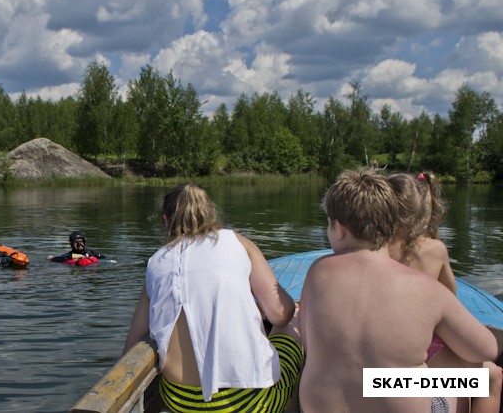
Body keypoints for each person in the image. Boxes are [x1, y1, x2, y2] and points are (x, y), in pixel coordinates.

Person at [299, 168, 498, 413]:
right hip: (388, 391)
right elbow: (486, 349)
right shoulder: (426, 288)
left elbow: (308, 346)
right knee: (483, 380)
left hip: (320, 405)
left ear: (339, 229)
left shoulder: (318, 272)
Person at [123, 182, 303, 413]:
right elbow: (280, 314)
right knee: (293, 325)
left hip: (180, 402)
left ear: (166, 221)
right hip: (247, 402)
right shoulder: (237, 242)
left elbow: (133, 342)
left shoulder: (156, 262)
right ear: (211, 214)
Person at [388, 171, 502, 413]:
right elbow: (450, 297)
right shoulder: (434, 249)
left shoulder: (374, 248)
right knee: (492, 377)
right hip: (424, 350)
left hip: (385, 354)